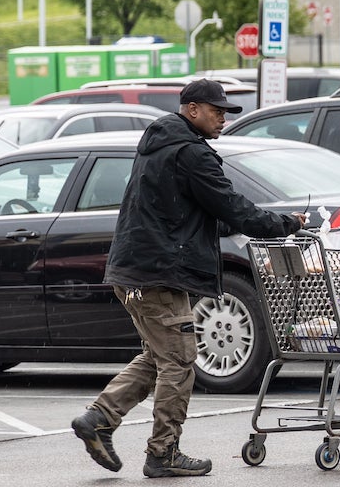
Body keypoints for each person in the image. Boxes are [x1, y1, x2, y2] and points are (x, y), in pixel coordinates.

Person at [72, 79, 303, 478]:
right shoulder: (191, 153)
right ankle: (163, 452)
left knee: (161, 355)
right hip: (157, 273)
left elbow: (180, 209)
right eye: (217, 111)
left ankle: (99, 419)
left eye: (226, 113)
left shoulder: (159, 145)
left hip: (133, 270)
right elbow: (233, 208)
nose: (223, 119)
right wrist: (286, 224)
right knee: (180, 361)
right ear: (192, 109)